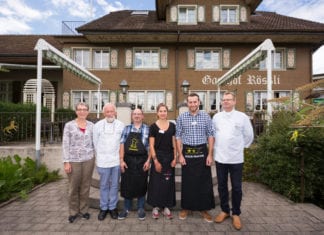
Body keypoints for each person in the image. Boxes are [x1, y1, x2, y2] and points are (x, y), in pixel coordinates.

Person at [212, 91, 254, 230]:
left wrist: (240, 147)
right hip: (220, 157)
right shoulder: (216, 117)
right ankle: (225, 211)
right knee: (222, 186)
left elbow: (249, 135)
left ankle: (236, 213)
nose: (226, 102)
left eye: (229, 100)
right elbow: (213, 135)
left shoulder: (242, 117)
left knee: (236, 187)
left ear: (234, 101)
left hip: (236, 158)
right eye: (224, 100)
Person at [175, 93, 215, 223]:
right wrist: (180, 155)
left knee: (204, 182)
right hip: (187, 152)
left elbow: (210, 135)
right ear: (187, 103)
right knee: (188, 182)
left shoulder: (206, 116)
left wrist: (210, 154)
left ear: (199, 102)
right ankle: (186, 208)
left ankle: (204, 209)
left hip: (202, 152)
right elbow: (178, 136)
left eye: (195, 102)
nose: (192, 104)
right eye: (190, 102)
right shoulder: (181, 117)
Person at [62, 102, 95, 223]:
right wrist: (66, 162)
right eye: (80, 109)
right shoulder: (69, 125)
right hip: (73, 160)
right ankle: (73, 212)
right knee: (73, 186)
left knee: (85, 186)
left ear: (88, 111)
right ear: (76, 111)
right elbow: (65, 144)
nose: (82, 111)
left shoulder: (92, 125)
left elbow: (94, 142)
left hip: (88, 159)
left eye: (84, 109)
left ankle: (84, 210)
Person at [93, 103, 125, 221]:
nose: (110, 114)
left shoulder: (121, 125)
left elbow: (122, 143)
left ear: (115, 112)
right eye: (107, 112)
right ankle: (103, 208)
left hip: (116, 161)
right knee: (104, 185)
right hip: (102, 161)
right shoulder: (97, 126)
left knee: (115, 185)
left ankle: (112, 208)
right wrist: (100, 156)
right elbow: (95, 143)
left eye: (112, 111)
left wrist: (121, 160)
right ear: (104, 113)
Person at [118, 108, 150, 220]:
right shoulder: (126, 129)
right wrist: (121, 160)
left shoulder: (147, 129)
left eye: (139, 114)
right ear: (132, 116)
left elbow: (150, 147)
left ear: (142, 116)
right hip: (128, 160)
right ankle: (126, 208)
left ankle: (141, 208)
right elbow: (121, 144)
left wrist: (148, 161)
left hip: (142, 160)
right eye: (134, 114)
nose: (136, 116)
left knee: (141, 183)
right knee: (127, 183)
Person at [147, 103, 177, 219]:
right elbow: (151, 146)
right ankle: (155, 207)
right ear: (157, 113)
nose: (163, 113)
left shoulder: (172, 126)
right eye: (161, 111)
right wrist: (155, 161)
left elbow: (174, 144)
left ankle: (166, 206)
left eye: (165, 111)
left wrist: (175, 158)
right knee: (156, 183)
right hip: (158, 158)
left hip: (169, 159)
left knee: (168, 181)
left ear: (167, 112)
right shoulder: (153, 127)